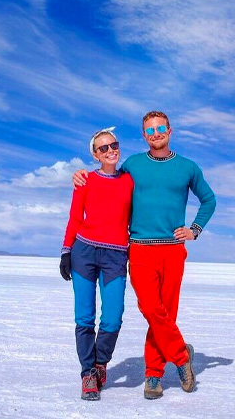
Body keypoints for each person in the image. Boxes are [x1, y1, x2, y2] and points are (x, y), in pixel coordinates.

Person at [73, 111, 216, 399]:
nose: (156, 133)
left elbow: (209, 199)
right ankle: (181, 354)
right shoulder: (133, 165)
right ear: (143, 135)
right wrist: (82, 176)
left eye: (160, 127)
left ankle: (153, 375)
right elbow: (107, 181)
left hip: (173, 249)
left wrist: (194, 229)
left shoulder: (188, 167)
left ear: (170, 130)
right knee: (151, 309)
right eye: (149, 130)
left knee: (166, 312)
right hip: (138, 247)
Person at [60, 127, 134, 401]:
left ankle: (101, 362)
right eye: (103, 148)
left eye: (113, 145)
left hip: (116, 254)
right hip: (84, 251)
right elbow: (74, 217)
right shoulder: (85, 180)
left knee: (113, 317)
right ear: (94, 154)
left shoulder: (129, 180)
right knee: (84, 317)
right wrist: (66, 251)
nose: (110, 150)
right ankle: (87, 373)